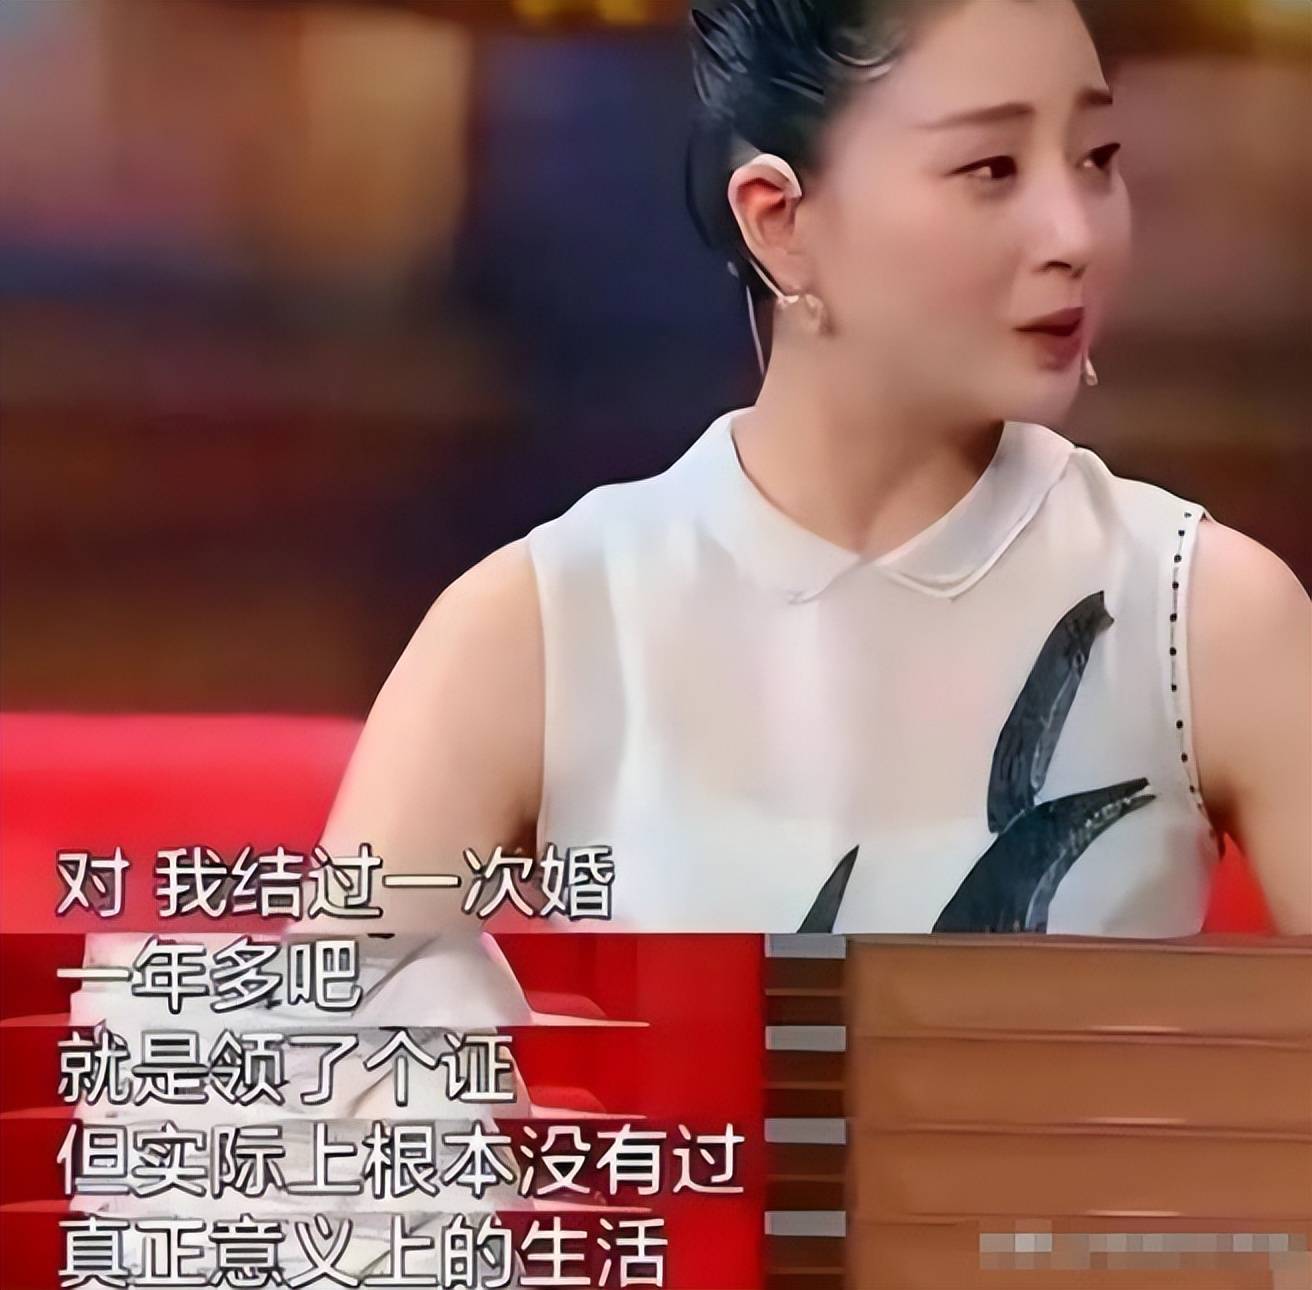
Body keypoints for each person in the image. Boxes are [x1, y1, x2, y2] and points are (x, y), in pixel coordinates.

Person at [317, 0, 1311, 939]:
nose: (1074, 235)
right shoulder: (549, 622)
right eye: (992, 168)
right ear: (778, 221)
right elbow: (335, 1035)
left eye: (1096, 159)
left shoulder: (1197, 616)